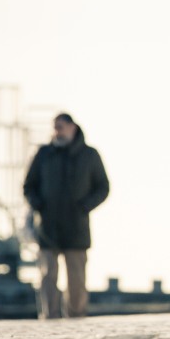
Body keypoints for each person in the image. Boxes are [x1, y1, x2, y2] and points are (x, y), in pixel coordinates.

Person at [23, 113, 109, 319]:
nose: (56, 132)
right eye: (54, 127)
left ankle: (77, 318)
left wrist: (85, 206)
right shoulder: (43, 154)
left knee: (76, 279)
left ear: (72, 127)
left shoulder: (89, 155)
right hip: (47, 226)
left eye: (60, 127)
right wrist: (39, 205)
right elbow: (28, 186)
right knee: (47, 276)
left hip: (76, 226)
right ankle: (50, 317)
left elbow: (103, 187)